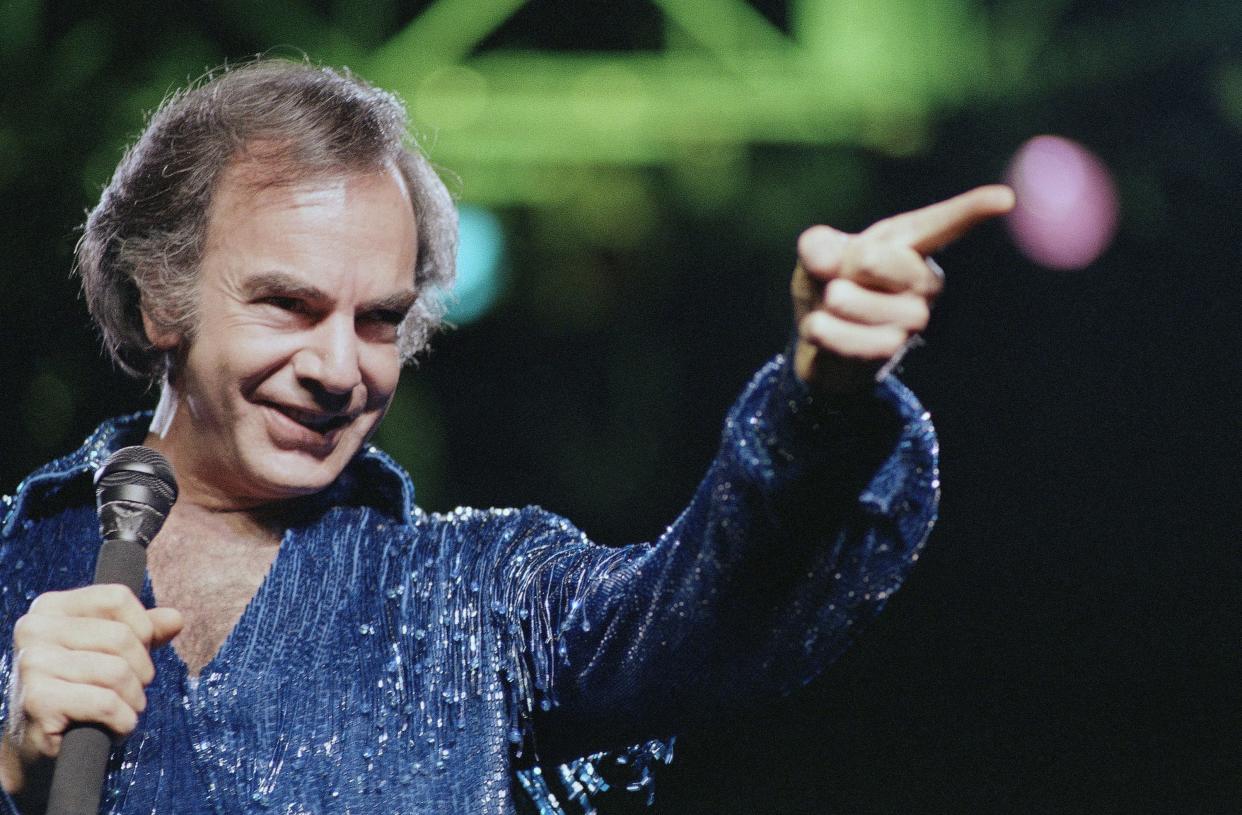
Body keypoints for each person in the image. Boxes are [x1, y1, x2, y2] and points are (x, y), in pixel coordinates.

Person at [0, 59, 1012, 814]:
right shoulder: (13, 565)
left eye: (380, 320)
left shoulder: (480, 595)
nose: (340, 365)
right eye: (290, 306)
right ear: (159, 298)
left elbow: (704, 610)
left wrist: (820, 394)